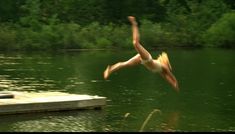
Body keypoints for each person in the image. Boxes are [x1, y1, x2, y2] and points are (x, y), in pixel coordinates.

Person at [103, 16, 179, 92]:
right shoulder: (164, 67)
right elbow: (171, 77)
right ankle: (134, 24)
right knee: (135, 43)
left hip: (141, 60)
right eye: (169, 66)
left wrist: (173, 85)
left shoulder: (161, 71)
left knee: (125, 64)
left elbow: (167, 78)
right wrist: (175, 83)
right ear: (166, 63)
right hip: (148, 59)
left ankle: (110, 69)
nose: (169, 68)